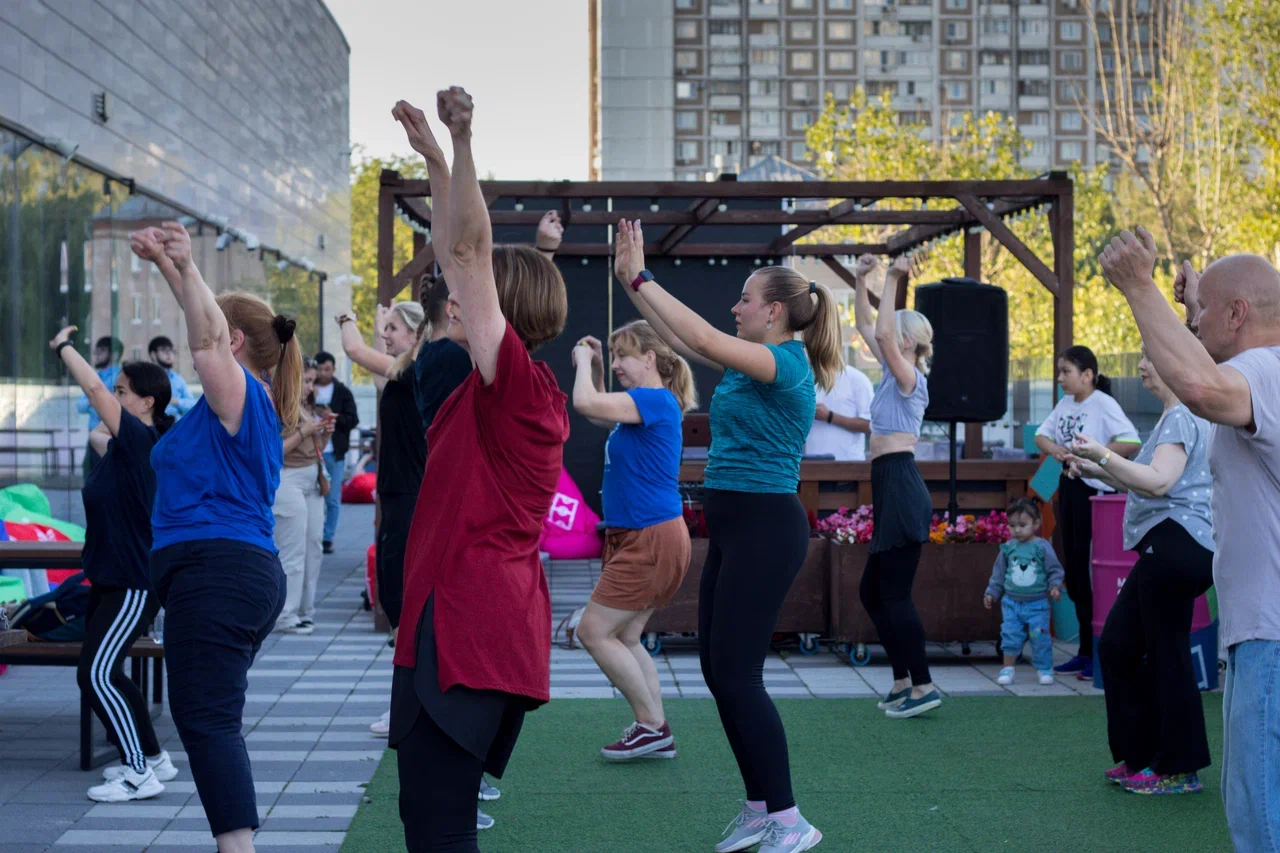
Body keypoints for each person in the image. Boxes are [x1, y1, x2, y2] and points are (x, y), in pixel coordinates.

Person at [615, 218, 838, 853]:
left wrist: (641, 275)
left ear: (772, 313)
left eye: (745, 297)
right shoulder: (751, 365)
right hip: (739, 525)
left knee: (739, 674)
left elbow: (703, 336)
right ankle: (760, 806)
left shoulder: (784, 363)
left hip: (768, 528)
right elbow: (678, 335)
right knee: (718, 667)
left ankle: (790, 819)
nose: (734, 306)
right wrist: (630, 282)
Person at [386, 90, 569, 853]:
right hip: (457, 620)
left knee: (439, 828)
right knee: (429, 819)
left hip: (471, 631)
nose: (455, 298)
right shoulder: (475, 384)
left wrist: (461, 141)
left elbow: (466, 256)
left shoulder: (518, 391)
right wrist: (434, 159)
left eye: (474, 295)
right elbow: (460, 249)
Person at [1098, 230, 1280, 848]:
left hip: (1270, 634)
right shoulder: (1259, 369)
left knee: (1260, 815)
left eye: (1204, 312)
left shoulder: (1265, 370)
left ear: (1238, 315)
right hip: (1260, 630)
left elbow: (1199, 385)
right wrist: (1188, 298)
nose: (1192, 323)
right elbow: (1204, 366)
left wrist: (1137, 287)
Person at [130, 221, 299, 853]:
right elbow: (205, 330)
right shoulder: (235, 403)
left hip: (219, 573)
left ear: (232, 342)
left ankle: (238, 849)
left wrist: (191, 265)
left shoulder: (240, 392)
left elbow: (205, 345)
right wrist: (167, 267)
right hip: (228, 573)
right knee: (208, 715)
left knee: (206, 719)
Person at [1064, 343, 1215, 795]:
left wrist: (1104, 456)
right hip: (1171, 547)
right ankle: (1145, 757)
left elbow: (1160, 481)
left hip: (1176, 548)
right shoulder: (1176, 418)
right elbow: (1144, 483)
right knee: (1117, 646)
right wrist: (1093, 463)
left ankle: (1177, 768)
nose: (1142, 366)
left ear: (1173, 364)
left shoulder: (1183, 416)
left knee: (1164, 654)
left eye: (1150, 357)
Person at [51, 326, 177, 802]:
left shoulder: (141, 441)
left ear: (146, 403)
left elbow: (93, 390)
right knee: (111, 672)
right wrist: (110, 412)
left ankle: (138, 772)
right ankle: (155, 758)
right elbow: (94, 429)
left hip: (132, 583)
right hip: (109, 578)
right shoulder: (120, 450)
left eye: (123, 392)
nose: (111, 398)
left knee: (96, 675)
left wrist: (64, 348)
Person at [571, 321, 697, 761]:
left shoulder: (656, 399)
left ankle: (651, 726)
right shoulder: (649, 405)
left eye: (624, 355)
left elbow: (584, 400)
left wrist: (584, 363)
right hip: (645, 536)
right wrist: (603, 368)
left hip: (650, 538)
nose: (620, 363)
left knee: (593, 631)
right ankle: (655, 728)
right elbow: (596, 410)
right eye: (615, 355)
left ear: (650, 358)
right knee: (624, 636)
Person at [850, 254, 941, 720]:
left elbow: (882, 333)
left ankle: (924, 685)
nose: (883, 339)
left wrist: (895, 277)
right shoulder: (891, 376)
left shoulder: (912, 380)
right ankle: (904, 680)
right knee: (873, 593)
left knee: (895, 595)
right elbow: (870, 327)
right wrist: (862, 277)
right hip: (889, 484)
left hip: (901, 483)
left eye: (893, 333)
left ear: (906, 340)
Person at [1033, 345, 1141, 680]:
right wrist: (1060, 452)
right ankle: (1083, 651)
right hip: (1068, 487)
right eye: (1059, 370)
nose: (1060, 377)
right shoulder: (1065, 404)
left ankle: (1099, 652)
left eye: (1066, 371)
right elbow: (1041, 435)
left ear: (1087, 375)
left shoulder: (1104, 404)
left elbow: (1131, 441)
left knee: (1093, 572)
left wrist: (1093, 456)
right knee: (1076, 571)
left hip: (1094, 492)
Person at [273, 360, 336, 635]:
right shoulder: (279, 406)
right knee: (293, 549)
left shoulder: (310, 407)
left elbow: (312, 449)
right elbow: (276, 449)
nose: (310, 387)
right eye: (305, 381)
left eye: (311, 381)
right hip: (289, 480)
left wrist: (322, 435)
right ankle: (285, 614)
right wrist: (304, 431)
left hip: (312, 478)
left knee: (314, 548)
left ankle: (304, 611)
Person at [982, 498, 1064, 687]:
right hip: (1011, 602)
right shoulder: (1008, 547)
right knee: (1010, 635)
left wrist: (1055, 586)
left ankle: (1044, 669)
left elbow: (1054, 569)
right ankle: (1008, 669)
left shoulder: (1042, 547)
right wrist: (991, 592)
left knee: (1040, 637)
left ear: (1036, 523)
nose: (1017, 530)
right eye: (1012, 525)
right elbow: (999, 573)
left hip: (1038, 604)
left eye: (1022, 525)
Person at [311, 351, 359, 554]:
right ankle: (314, 534)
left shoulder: (342, 391)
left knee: (332, 498)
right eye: (320, 369)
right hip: (311, 450)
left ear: (333, 369)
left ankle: (327, 537)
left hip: (334, 451)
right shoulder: (307, 388)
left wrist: (333, 417)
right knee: (312, 496)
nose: (323, 373)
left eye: (327, 369)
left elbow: (352, 420)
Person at [802, 343, 873, 461]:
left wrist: (830, 416)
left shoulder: (857, 379)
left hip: (847, 466)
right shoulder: (806, 379)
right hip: (811, 467)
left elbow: (871, 426)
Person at [77, 335, 123, 474]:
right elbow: (80, 406)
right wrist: (96, 400)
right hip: (93, 436)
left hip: (110, 436)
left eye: (101, 350)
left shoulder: (119, 377)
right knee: (89, 476)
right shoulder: (96, 377)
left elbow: (113, 407)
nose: (96, 355)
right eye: (96, 350)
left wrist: (95, 401)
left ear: (114, 354)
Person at [148, 335, 199, 417]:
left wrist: (176, 401)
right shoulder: (144, 378)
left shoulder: (177, 379)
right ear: (153, 354)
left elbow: (193, 404)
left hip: (177, 426)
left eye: (171, 350)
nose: (169, 354)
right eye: (164, 350)